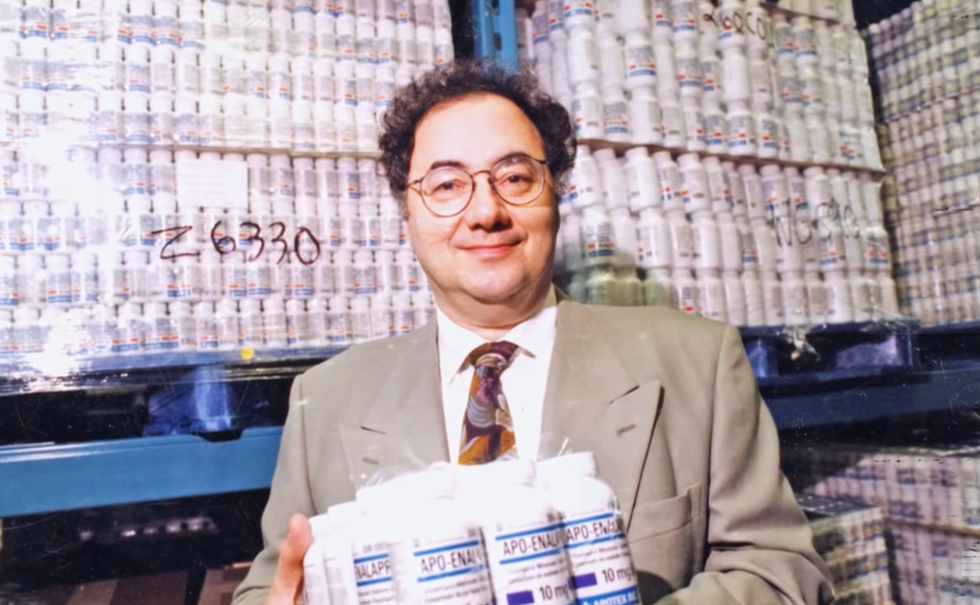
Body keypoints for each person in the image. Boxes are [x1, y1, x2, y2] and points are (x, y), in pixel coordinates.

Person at [232, 59, 835, 605]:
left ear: (556, 192)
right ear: (406, 211)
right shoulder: (325, 400)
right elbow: (269, 588)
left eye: (514, 177)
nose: (486, 210)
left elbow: (778, 570)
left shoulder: (698, 365)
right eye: (446, 185)